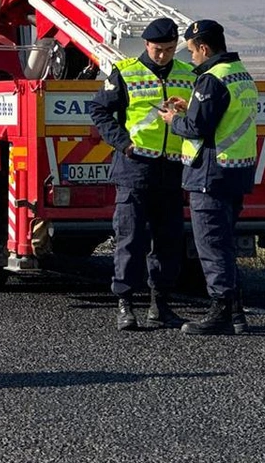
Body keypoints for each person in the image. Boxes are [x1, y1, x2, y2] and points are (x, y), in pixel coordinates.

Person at [89, 18, 195, 331]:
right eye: (157, 49)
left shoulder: (188, 75)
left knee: (168, 241)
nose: (162, 55)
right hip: (135, 168)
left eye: (169, 50)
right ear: (146, 45)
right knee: (130, 238)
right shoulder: (126, 70)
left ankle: (160, 306)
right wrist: (122, 144)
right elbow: (99, 110)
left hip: (172, 168)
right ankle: (125, 303)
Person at [160, 20, 258, 335]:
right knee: (225, 243)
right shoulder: (241, 74)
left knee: (212, 245)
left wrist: (174, 120)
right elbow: (222, 118)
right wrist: (191, 108)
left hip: (210, 174)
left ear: (203, 48)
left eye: (191, 52)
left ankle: (220, 313)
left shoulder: (211, 80)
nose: (191, 59)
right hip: (236, 171)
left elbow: (198, 128)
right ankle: (237, 313)